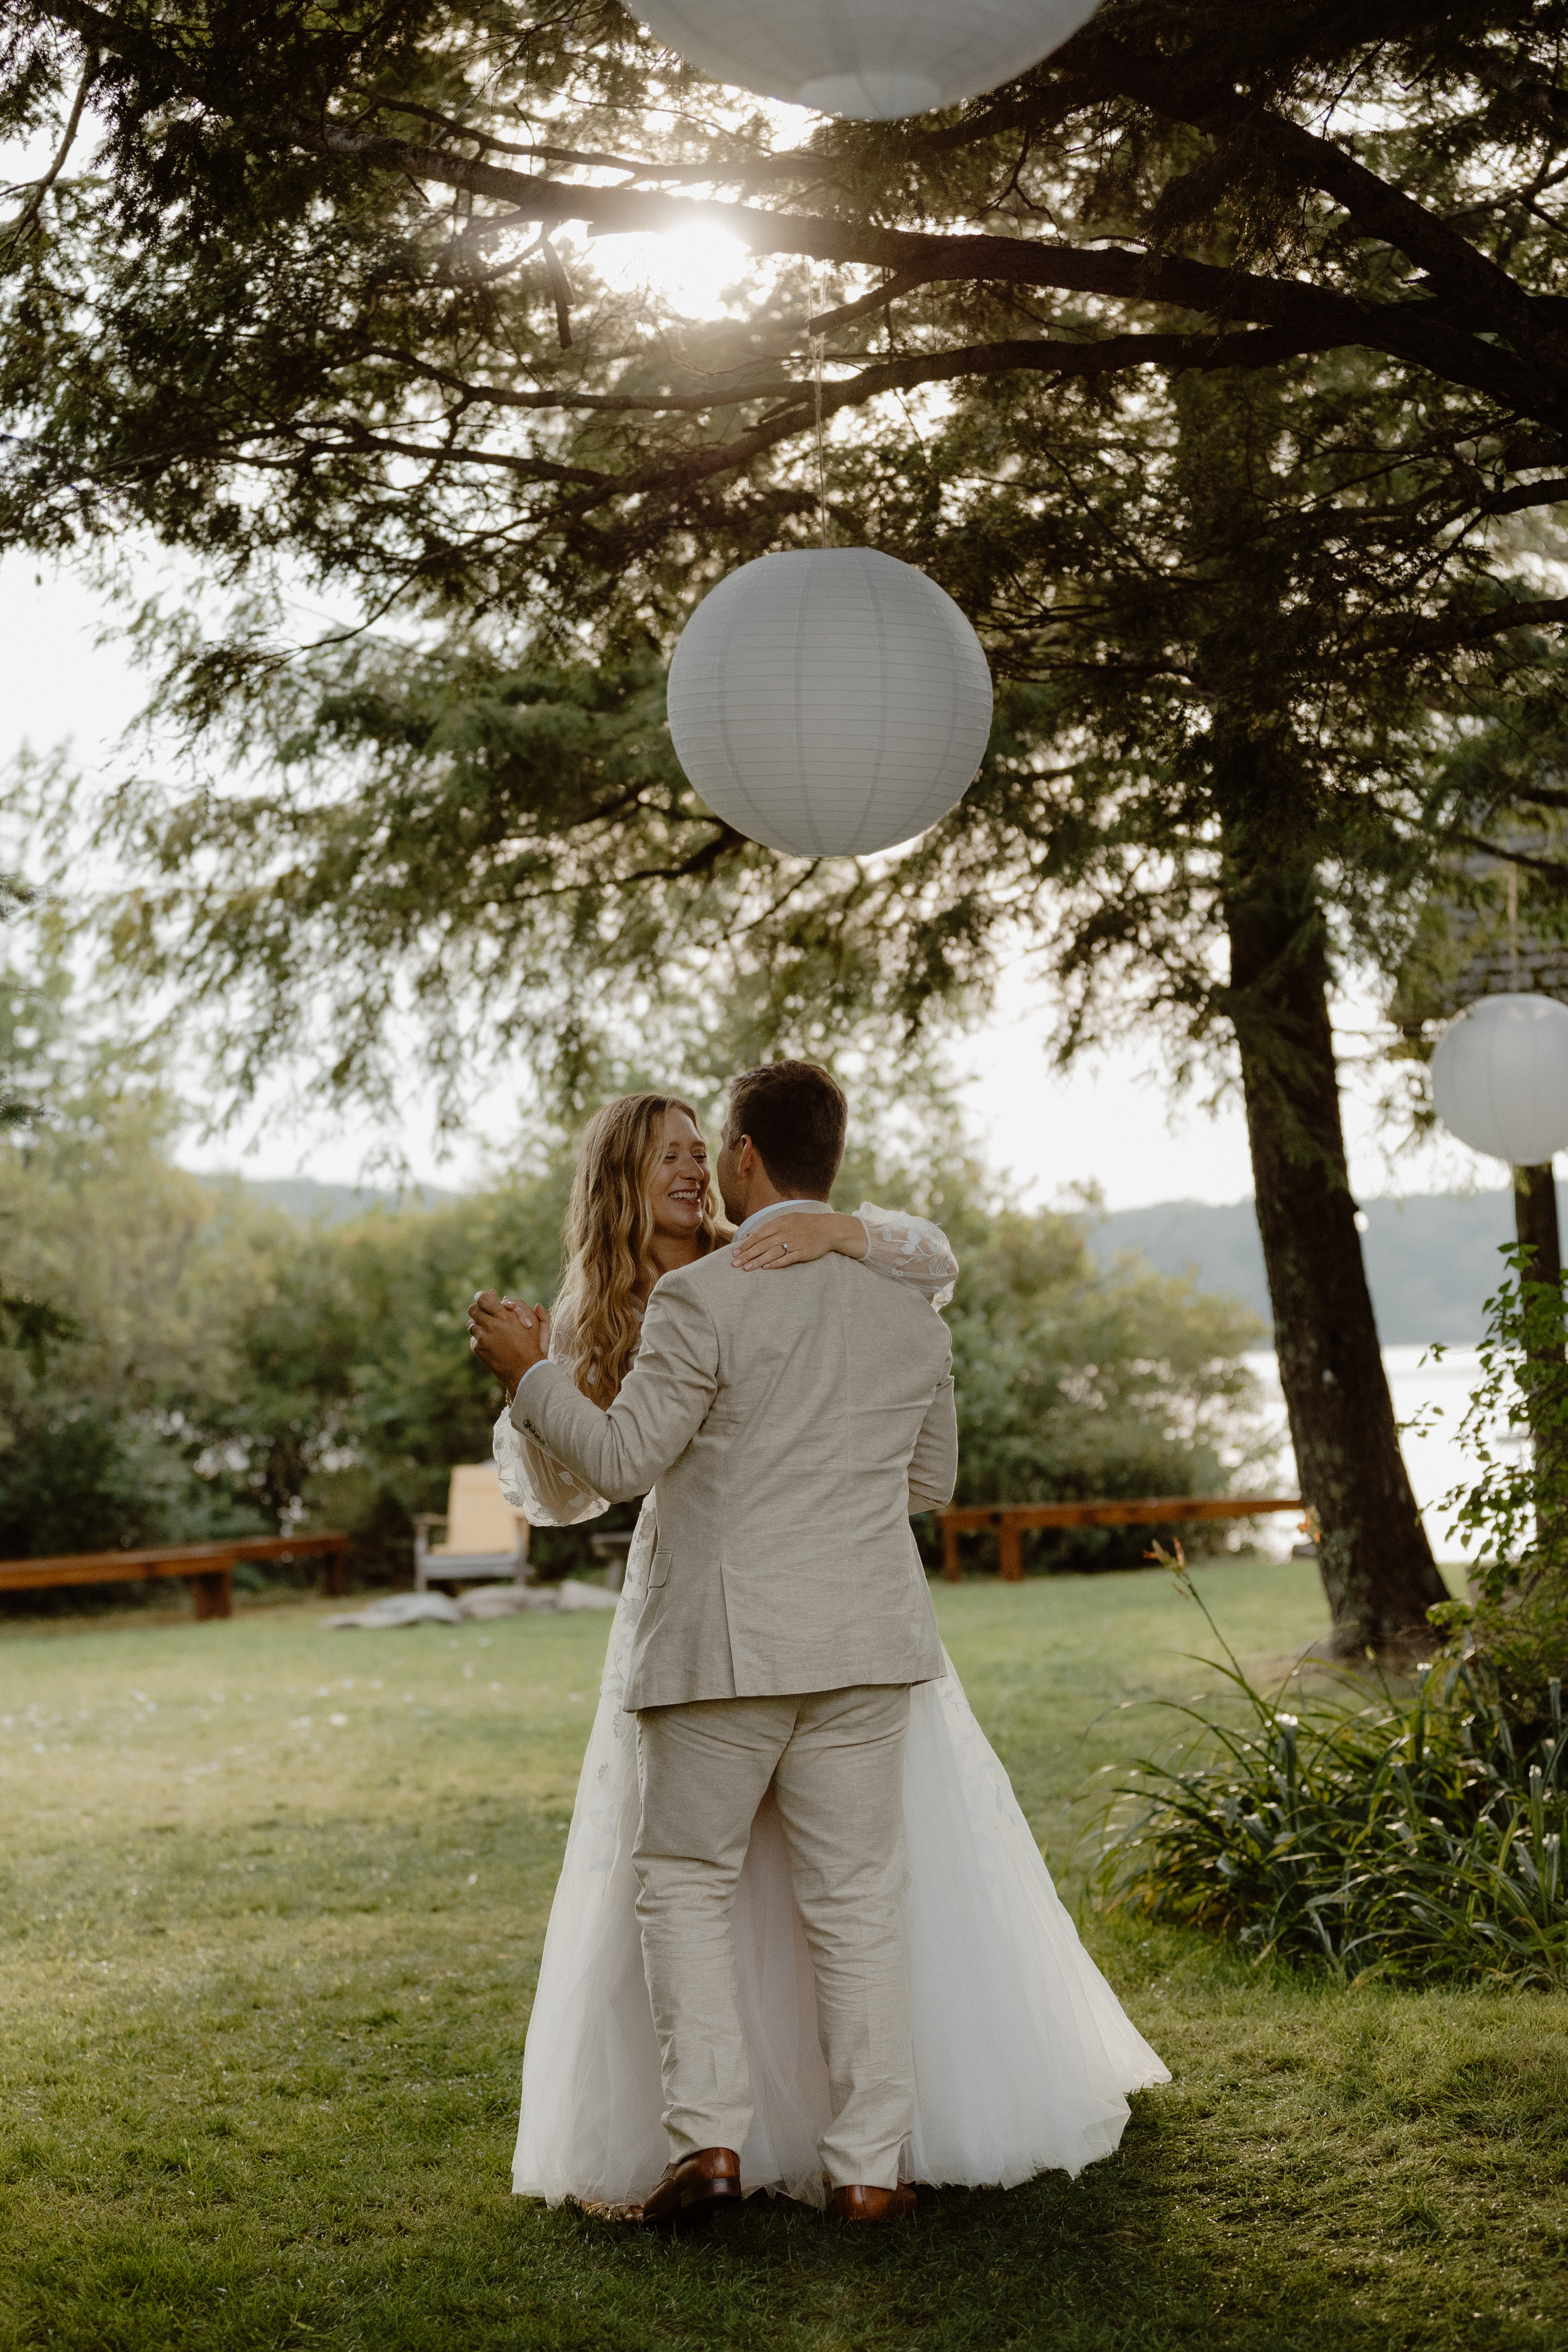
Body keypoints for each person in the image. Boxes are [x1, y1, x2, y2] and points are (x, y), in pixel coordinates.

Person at [468, 1069, 1166, 2222]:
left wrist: (529, 1375)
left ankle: (709, 2149)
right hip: (866, 1639)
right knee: (856, 1903)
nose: (696, 1169)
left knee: (685, 1884)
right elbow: (930, 1484)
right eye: (667, 1155)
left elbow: (628, 1460)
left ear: (745, 1156)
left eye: (706, 1148)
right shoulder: (903, 1305)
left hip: (725, 1646)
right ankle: (867, 2172)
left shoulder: (706, 1298)